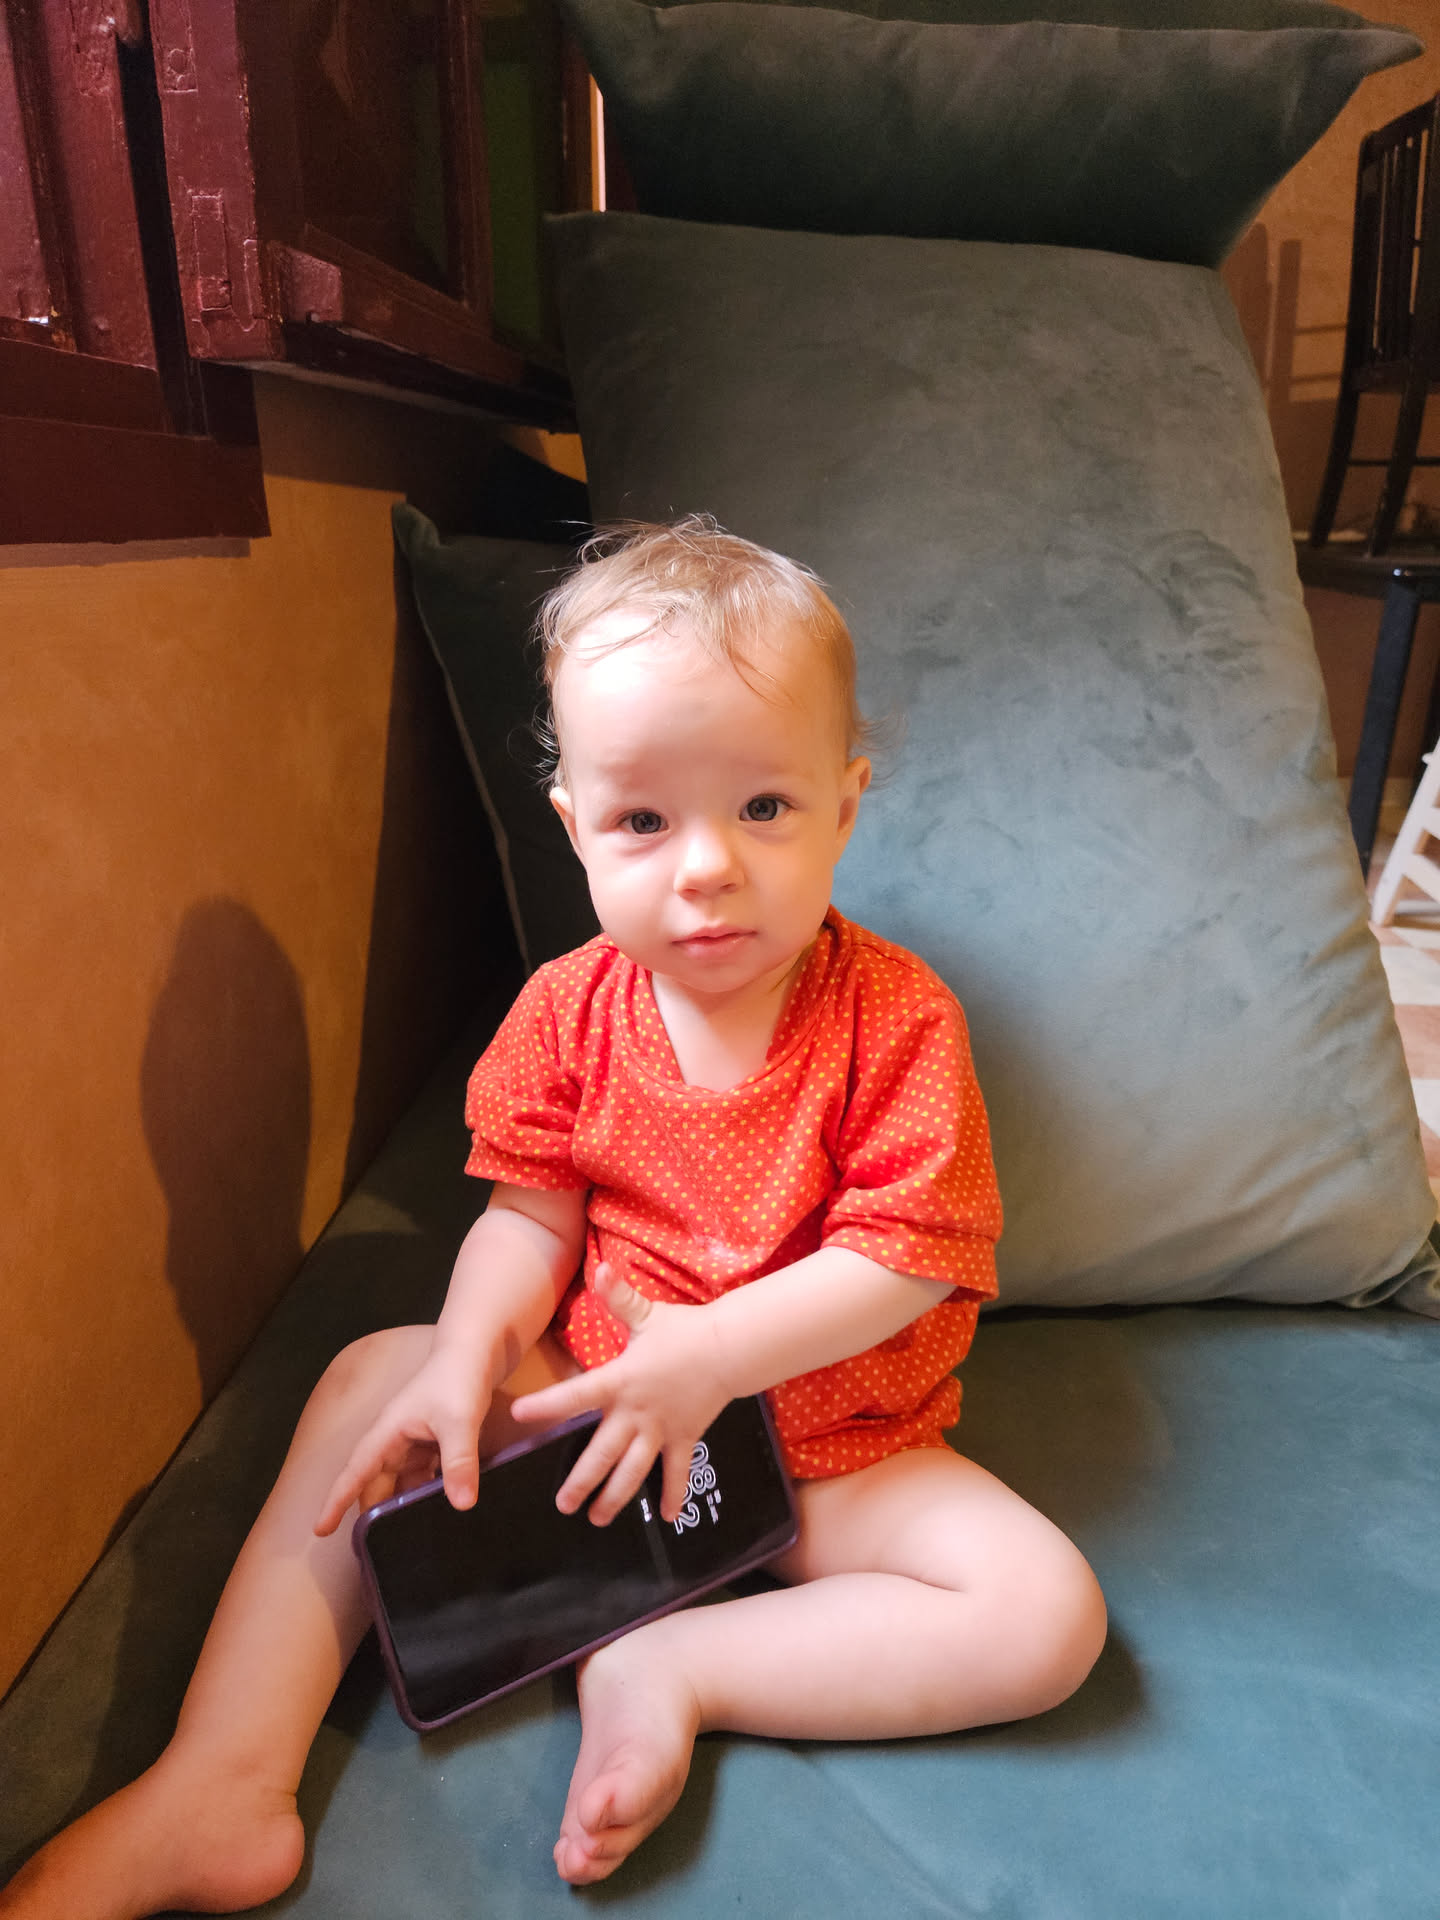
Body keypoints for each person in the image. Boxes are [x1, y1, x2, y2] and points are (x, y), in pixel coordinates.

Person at [1, 520, 1106, 1918]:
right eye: (645, 821)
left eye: (764, 807)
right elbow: (528, 1222)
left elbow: (904, 1258)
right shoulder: (565, 1011)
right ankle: (221, 1777)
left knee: (1047, 1615)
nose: (706, 867)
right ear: (575, 825)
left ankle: (677, 1668)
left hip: (836, 1450)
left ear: (845, 806)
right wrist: (469, 1355)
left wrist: (714, 1358)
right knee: (374, 1381)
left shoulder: (898, 1018)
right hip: (589, 1407)